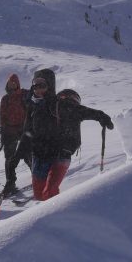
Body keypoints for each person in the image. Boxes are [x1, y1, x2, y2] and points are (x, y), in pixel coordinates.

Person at [24, 68, 113, 201]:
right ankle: (45, 213)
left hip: (59, 154)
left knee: (49, 193)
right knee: (39, 195)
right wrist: (20, 153)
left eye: (42, 85)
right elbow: (27, 132)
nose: (38, 89)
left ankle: (57, 212)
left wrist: (100, 116)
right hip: (39, 156)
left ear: (50, 86)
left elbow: (80, 111)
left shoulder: (59, 104)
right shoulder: (33, 107)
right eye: (35, 85)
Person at [0, 73, 31, 197]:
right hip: (10, 131)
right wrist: (3, 132)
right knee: (9, 158)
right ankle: (10, 183)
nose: (12, 85)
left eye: (14, 83)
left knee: (28, 155)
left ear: (17, 84)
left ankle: (37, 177)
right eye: (10, 83)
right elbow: (2, 116)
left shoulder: (24, 95)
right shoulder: (5, 99)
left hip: (24, 130)